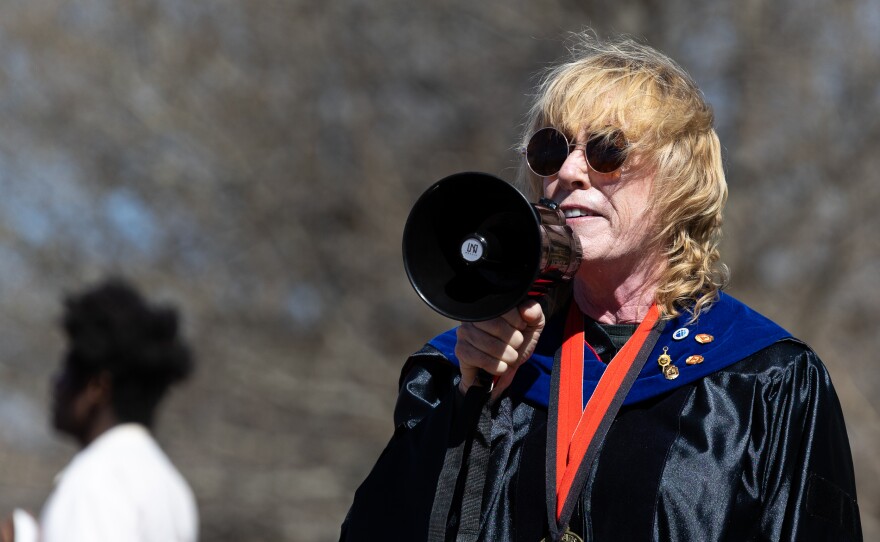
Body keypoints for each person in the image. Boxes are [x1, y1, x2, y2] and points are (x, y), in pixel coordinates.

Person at [340, 31, 862, 542]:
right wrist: (467, 406)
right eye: (550, 150)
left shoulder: (768, 381)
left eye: (606, 150)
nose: (569, 171)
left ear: (678, 182)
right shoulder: (474, 362)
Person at [2, 278, 198, 542]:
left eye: (68, 372)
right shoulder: (171, 487)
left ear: (98, 387)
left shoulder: (94, 483)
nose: (56, 383)